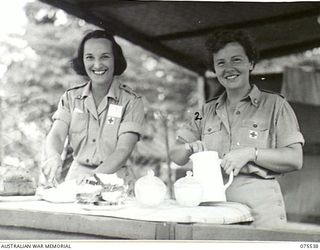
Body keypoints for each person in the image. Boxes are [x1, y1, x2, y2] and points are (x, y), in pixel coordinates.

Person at [169, 29, 304, 228]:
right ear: (214, 69)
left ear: (251, 63)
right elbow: (175, 154)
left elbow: (295, 159)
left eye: (236, 60)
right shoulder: (205, 111)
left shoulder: (276, 105)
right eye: (220, 63)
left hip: (260, 213)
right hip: (214, 211)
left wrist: (251, 153)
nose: (228, 68)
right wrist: (189, 147)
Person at [42, 30, 144, 186]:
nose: (97, 65)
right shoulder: (70, 97)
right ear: (82, 61)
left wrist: (94, 178)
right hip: (77, 179)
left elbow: (123, 150)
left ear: (115, 60)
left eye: (105, 57)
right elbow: (56, 135)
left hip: (115, 181)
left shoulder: (131, 101)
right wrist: (53, 157)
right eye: (89, 57)